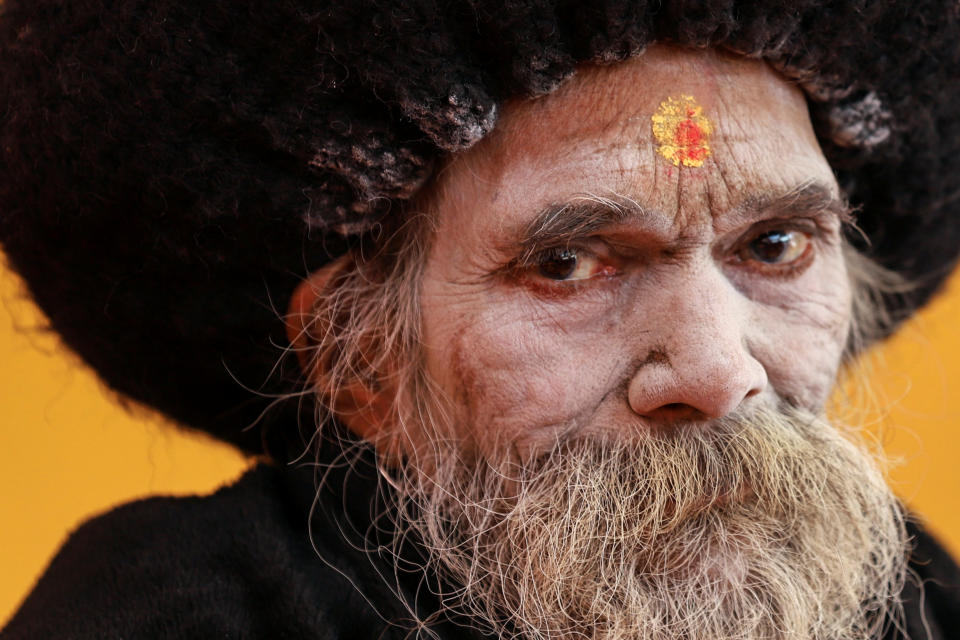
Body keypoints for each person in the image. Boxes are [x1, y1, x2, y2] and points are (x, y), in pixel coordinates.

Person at [1, 1, 959, 638]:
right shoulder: (193, 612)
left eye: (778, 245)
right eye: (566, 264)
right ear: (360, 362)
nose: (718, 373)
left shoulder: (911, 593)